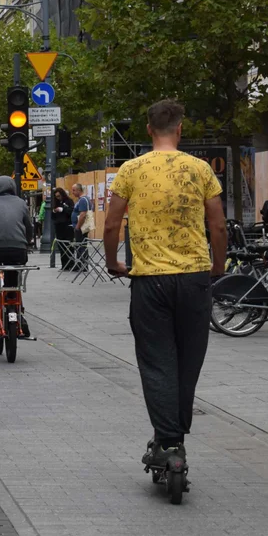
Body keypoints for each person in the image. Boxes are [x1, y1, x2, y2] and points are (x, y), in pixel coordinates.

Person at [104, 99, 227, 473]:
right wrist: (217, 267)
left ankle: (168, 442)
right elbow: (218, 226)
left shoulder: (130, 170)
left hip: (149, 281)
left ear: (147, 130)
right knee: (188, 362)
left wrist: (113, 263)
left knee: (157, 363)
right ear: (180, 129)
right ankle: (175, 437)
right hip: (193, 279)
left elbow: (111, 225)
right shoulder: (200, 169)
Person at [0, 176, 35, 323]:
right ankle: (14, 299)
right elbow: (28, 225)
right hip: (18, 248)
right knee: (14, 272)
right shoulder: (21, 203)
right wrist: (28, 240)